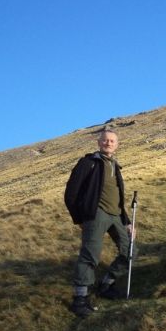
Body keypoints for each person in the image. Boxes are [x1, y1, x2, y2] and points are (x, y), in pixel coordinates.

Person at [64, 129, 134, 317]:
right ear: (98, 142)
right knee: (90, 255)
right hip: (96, 215)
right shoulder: (88, 163)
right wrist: (79, 218)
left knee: (130, 251)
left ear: (117, 145)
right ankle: (80, 300)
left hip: (117, 216)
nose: (108, 143)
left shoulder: (116, 166)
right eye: (105, 140)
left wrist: (127, 222)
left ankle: (106, 284)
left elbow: (119, 198)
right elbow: (71, 193)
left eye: (112, 141)